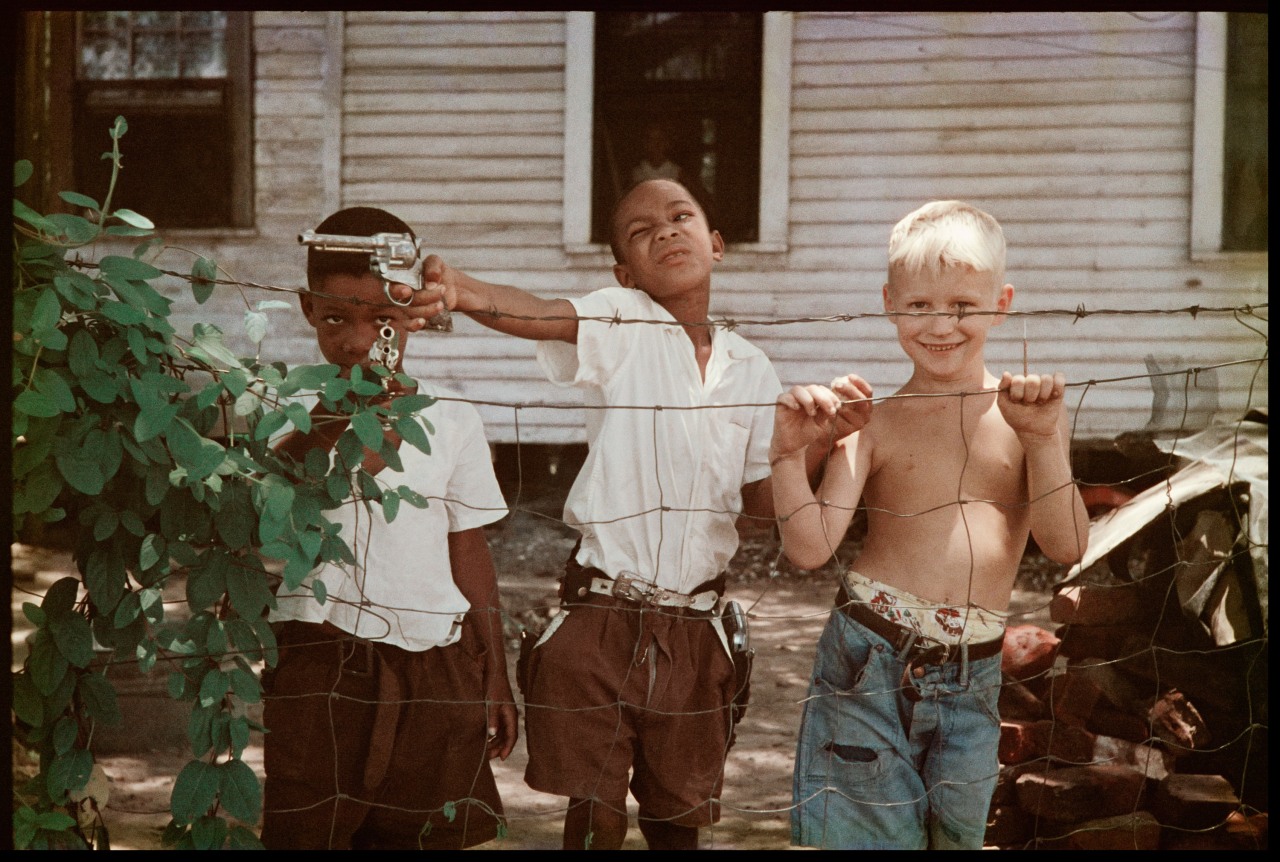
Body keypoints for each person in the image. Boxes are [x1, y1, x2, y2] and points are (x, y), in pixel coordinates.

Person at [393, 178, 833, 850]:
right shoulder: (623, 321)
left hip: (696, 623)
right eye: (641, 229)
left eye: (682, 217)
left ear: (715, 243)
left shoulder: (753, 369)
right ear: (624, 273)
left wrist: (806, 451)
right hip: (601, 614)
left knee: (677, 819)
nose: (666, 231)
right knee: (594, 813)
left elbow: (758, 510)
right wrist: (462, 290)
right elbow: (538, 313)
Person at [769, 200, 1090, 850]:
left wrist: (1046, 440)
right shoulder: (873, 422)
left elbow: (1068, 544)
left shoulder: (1029, 419)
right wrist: (785, 454)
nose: (941, 324)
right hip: (868, 660)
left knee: (957, 839)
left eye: (962, 305)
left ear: (1001, 303)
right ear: (890, 304)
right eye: (919, 306)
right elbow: (810, 548)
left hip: (973, 675)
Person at [259, 206, 518, 850]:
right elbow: (281, 505)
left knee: (421, 835)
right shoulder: (279, 407)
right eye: (335, 318)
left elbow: (468, 547)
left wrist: (495, 671)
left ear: (417, 314)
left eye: (383, 319)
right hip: (322, 655)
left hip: (437, 658)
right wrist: (336, 415)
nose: (356, 340)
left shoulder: (452, 418)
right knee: (312, 830)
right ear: (306, 308)